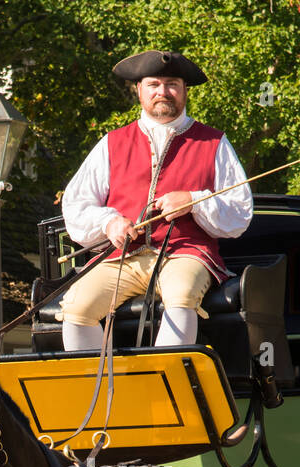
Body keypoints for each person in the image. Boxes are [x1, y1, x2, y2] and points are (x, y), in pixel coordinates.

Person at [59, 49, 253, 351]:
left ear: (184, 90)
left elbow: (239, 212)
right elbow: (75, 204)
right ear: (139, 90)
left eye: (172, 84)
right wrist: (109, 223)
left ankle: (163, 388)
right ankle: (104, 396)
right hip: (123, 258)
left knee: (181, 294)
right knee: (77, 307)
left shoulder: (214, 142)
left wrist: (193, 201)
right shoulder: (112, 143)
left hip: (185, 254)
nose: (163, 92)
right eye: (154, 84)